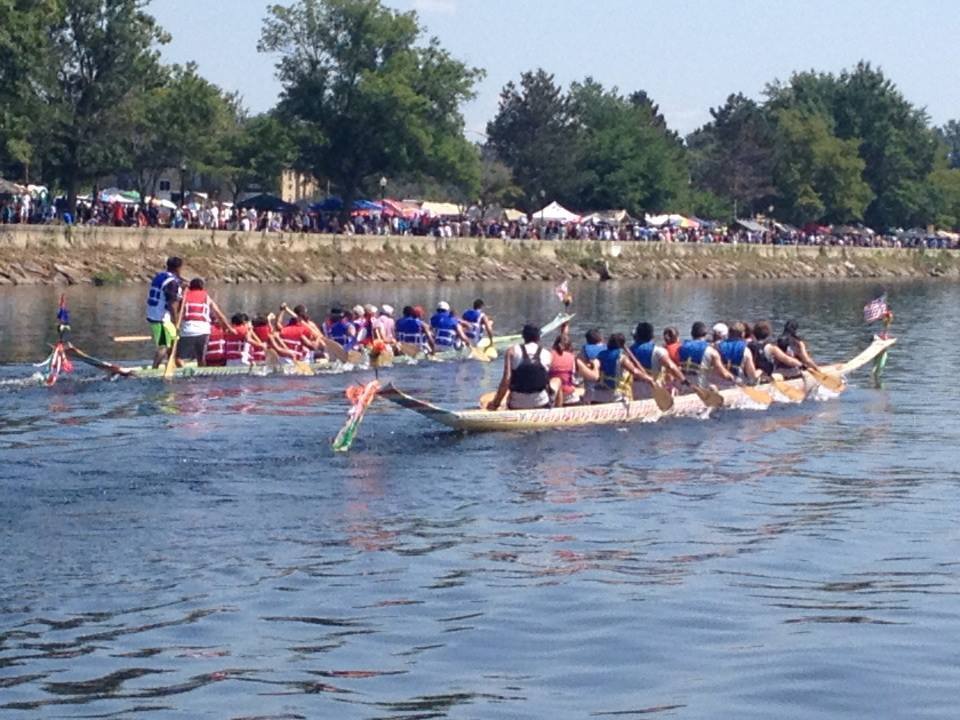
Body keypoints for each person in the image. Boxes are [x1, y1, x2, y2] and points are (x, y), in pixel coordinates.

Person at [487, 324, 553, 410]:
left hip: (517, 404)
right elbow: (546, 380)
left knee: (506, 399)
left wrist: (496, 403)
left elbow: (506, 380)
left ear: (523, 337)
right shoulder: (548, 354)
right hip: (541, 403)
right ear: (538, 337)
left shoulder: (511, 351)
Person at [177, 278, 231, 366]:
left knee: (178, 358)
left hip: (188, 330)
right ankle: (201, 372)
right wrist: (229, 328)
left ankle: (184, 370)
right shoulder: (206, 297)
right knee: (201, 358)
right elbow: (219, 314)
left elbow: (178, 313)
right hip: (204, 330)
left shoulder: (185, 297)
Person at [590, 333, 655, 404]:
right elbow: (635, 372)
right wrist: (649, 379)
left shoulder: (600, 355)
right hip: (614, 396)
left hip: (597, 394)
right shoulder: (621, 357)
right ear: (622, 345)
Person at [145, 256, 184, 368]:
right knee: (163, 345)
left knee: (173, 340)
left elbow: (174, 283)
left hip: (153, 313)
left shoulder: (160, 276)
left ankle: (175, 363)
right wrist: (175, 322)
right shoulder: (172, 283)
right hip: (161, 318)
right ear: (178, 268)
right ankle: (154, 368)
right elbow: (172, 305)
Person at [629, 322, 684, 398]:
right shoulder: (658, 351)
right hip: (653, 388)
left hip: (634, 389)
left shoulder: (629, 351)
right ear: (652, 336)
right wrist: (684, 381)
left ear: (637, 336)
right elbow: (671, 367)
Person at [678, 321, 734, 387]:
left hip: (683, 386)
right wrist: (733, 379)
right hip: (701, 389)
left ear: (691, 333)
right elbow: (723, 374)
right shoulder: (711, 351)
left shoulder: (681, 347)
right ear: (705, 334)